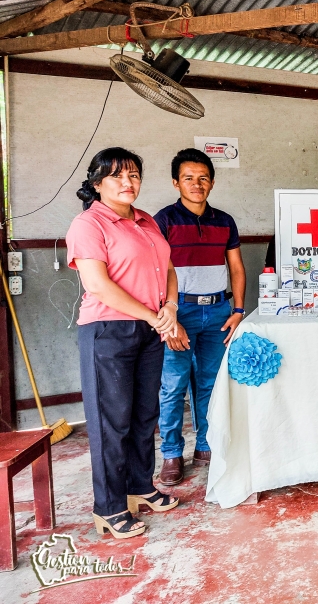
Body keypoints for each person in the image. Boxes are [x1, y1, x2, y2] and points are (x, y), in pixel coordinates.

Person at [66, 148, 180, 539]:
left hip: (150, 329)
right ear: (97, 183)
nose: (127, 183)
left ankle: (139, 487)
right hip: (107, 331)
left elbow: (167, 269)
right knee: (110, 421)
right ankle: (110, 507)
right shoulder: (88, 224)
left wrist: (171, 307)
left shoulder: (148, 221)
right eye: (116, 176)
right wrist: (152, 315)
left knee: (143, 415)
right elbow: (97, 284)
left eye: (133, 175)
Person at [154, 148, 246, 486]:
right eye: (189, 178)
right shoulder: (162, 221)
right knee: (173, 385)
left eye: (203, 178)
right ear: (176, 182)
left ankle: (206, 446)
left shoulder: (224, 221)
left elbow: (236, 267)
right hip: (180, 313)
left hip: (219, 311)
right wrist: (169, 316)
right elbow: (157, 272)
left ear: (213, 182)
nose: (197, 184)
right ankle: (172, 453)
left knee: (210, 383)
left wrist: (237, 310)